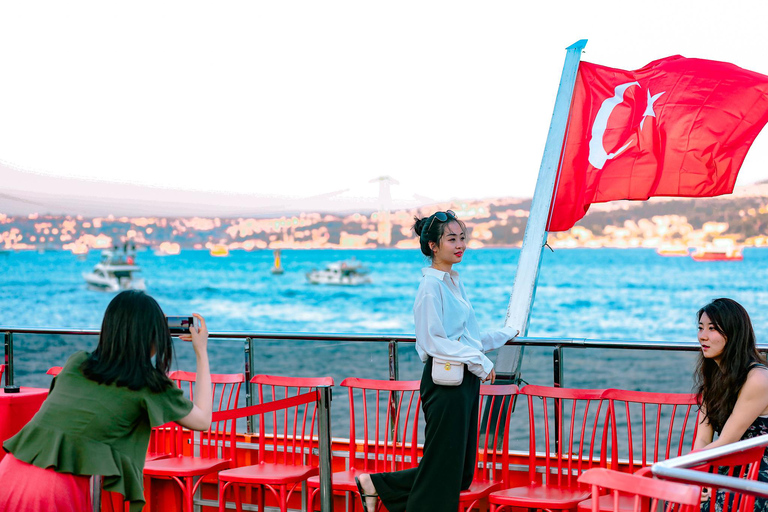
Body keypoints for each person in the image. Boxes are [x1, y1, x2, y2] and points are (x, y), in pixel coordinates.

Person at [355, 209, 518, 512]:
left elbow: (466, 339)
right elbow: (432, 341)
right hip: (445, 384)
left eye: (463, 238)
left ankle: (376, 485)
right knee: (444, 472)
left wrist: (505, 334)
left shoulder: (453, 282)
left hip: (464, 381)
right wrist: (480, 362)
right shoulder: (430, 287)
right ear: (433, 245)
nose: (460, 245)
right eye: (452, 239)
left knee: (460, 473)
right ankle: (380, 487)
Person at [0, 290, 213, 512]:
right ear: (152, 335)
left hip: (7, 474)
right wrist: (201, 351)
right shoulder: (148, 384)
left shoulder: (77, 363)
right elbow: (203, 420)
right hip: (52, 493)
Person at [692, 298, 768, 511]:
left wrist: (685, 465)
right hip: (732, 465)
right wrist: (697, 474)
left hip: (760, 470)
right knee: (679, 497)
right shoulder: (714, 377)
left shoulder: (758, 378)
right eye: (700, 328)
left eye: (712, 329)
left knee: (711, 505)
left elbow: (727, 440)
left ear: (734, 333)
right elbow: (702, 437)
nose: (702, 336)